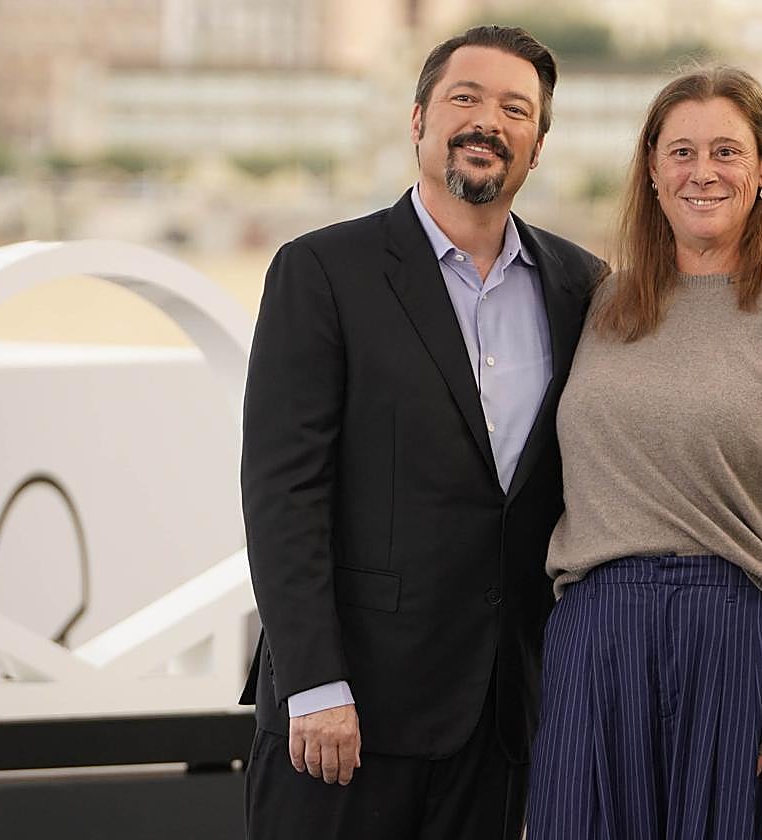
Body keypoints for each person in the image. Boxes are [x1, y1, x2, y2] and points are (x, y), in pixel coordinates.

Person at [239, 25, 603, 840]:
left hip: (503, 720)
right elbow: (282, 493)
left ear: (536, 148)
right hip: (346, 718)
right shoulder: (322, 272)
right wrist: (316, 683)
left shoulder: (582, 288)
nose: (488, 122)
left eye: (516, 109)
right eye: (464, 99)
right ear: (418, 121)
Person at [527, 66, 762, 840]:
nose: (703, 171)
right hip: (597, 641)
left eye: (727, 151)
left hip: (740, 639)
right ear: (653, 171)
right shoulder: (605, 305)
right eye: (682, 151)